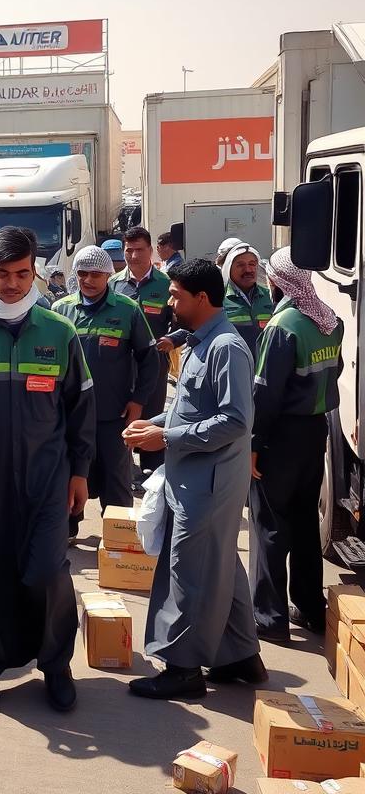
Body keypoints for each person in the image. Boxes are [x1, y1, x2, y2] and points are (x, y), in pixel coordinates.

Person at [0, 227, 96, 723]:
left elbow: (80, 409)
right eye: (2, 274)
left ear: (34, 272)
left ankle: (55, 666)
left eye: (22, 274)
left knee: (48, 572)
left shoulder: (60, 332)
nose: (12, 284)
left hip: (48, 481)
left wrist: (79, 473)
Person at [124, 259, 264, 699]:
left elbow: (235, 421)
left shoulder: (226, 348)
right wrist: (156, 424)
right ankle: (241, 656)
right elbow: (193, 407)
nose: (169, 301)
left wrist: (165, 436)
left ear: (201, 299)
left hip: (208, 483)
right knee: (219, 564)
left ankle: (182, 669)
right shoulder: (200, 342)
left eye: (175, 295)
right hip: (196, 477)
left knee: (188, 570)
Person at [250, 248, 343, 640]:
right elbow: (334, 372)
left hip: (281, 437)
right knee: (305, 523)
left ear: (279, 281)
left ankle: (270, 620)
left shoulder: (282, 326)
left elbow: (265, 393)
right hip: (315, 431)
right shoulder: (329, 320)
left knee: (269, 524)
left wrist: (254, 443)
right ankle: (309, 606)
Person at [53, 245, 158, 533]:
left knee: (116, 481)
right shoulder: (60, 311)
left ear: (108, 276)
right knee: (67, 476)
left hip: (112, 415)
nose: (88, 280)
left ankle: (118, 540)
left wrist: (138, 402)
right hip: (69, 417)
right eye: (82, 273)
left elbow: (149, 359)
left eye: (96, 274)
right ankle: (67, 530)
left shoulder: (127, 310)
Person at [111, 227, 176, 479]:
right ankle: (124, 471)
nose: (134, 255)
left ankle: (152, 473)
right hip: (120, 367)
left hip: (154, 367)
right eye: (129, 250)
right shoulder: (113, 285)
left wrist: (171, 339)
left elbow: (181, 322)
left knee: (152, 417)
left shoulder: (166, 284)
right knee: (121, 417)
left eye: (140, 249)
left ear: (150, 250)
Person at [221, 242, 273, 354]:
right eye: (240, 265)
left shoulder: (269, 296)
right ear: (229, 268)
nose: (248, 270)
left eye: (252, 264)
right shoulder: (218, 298)